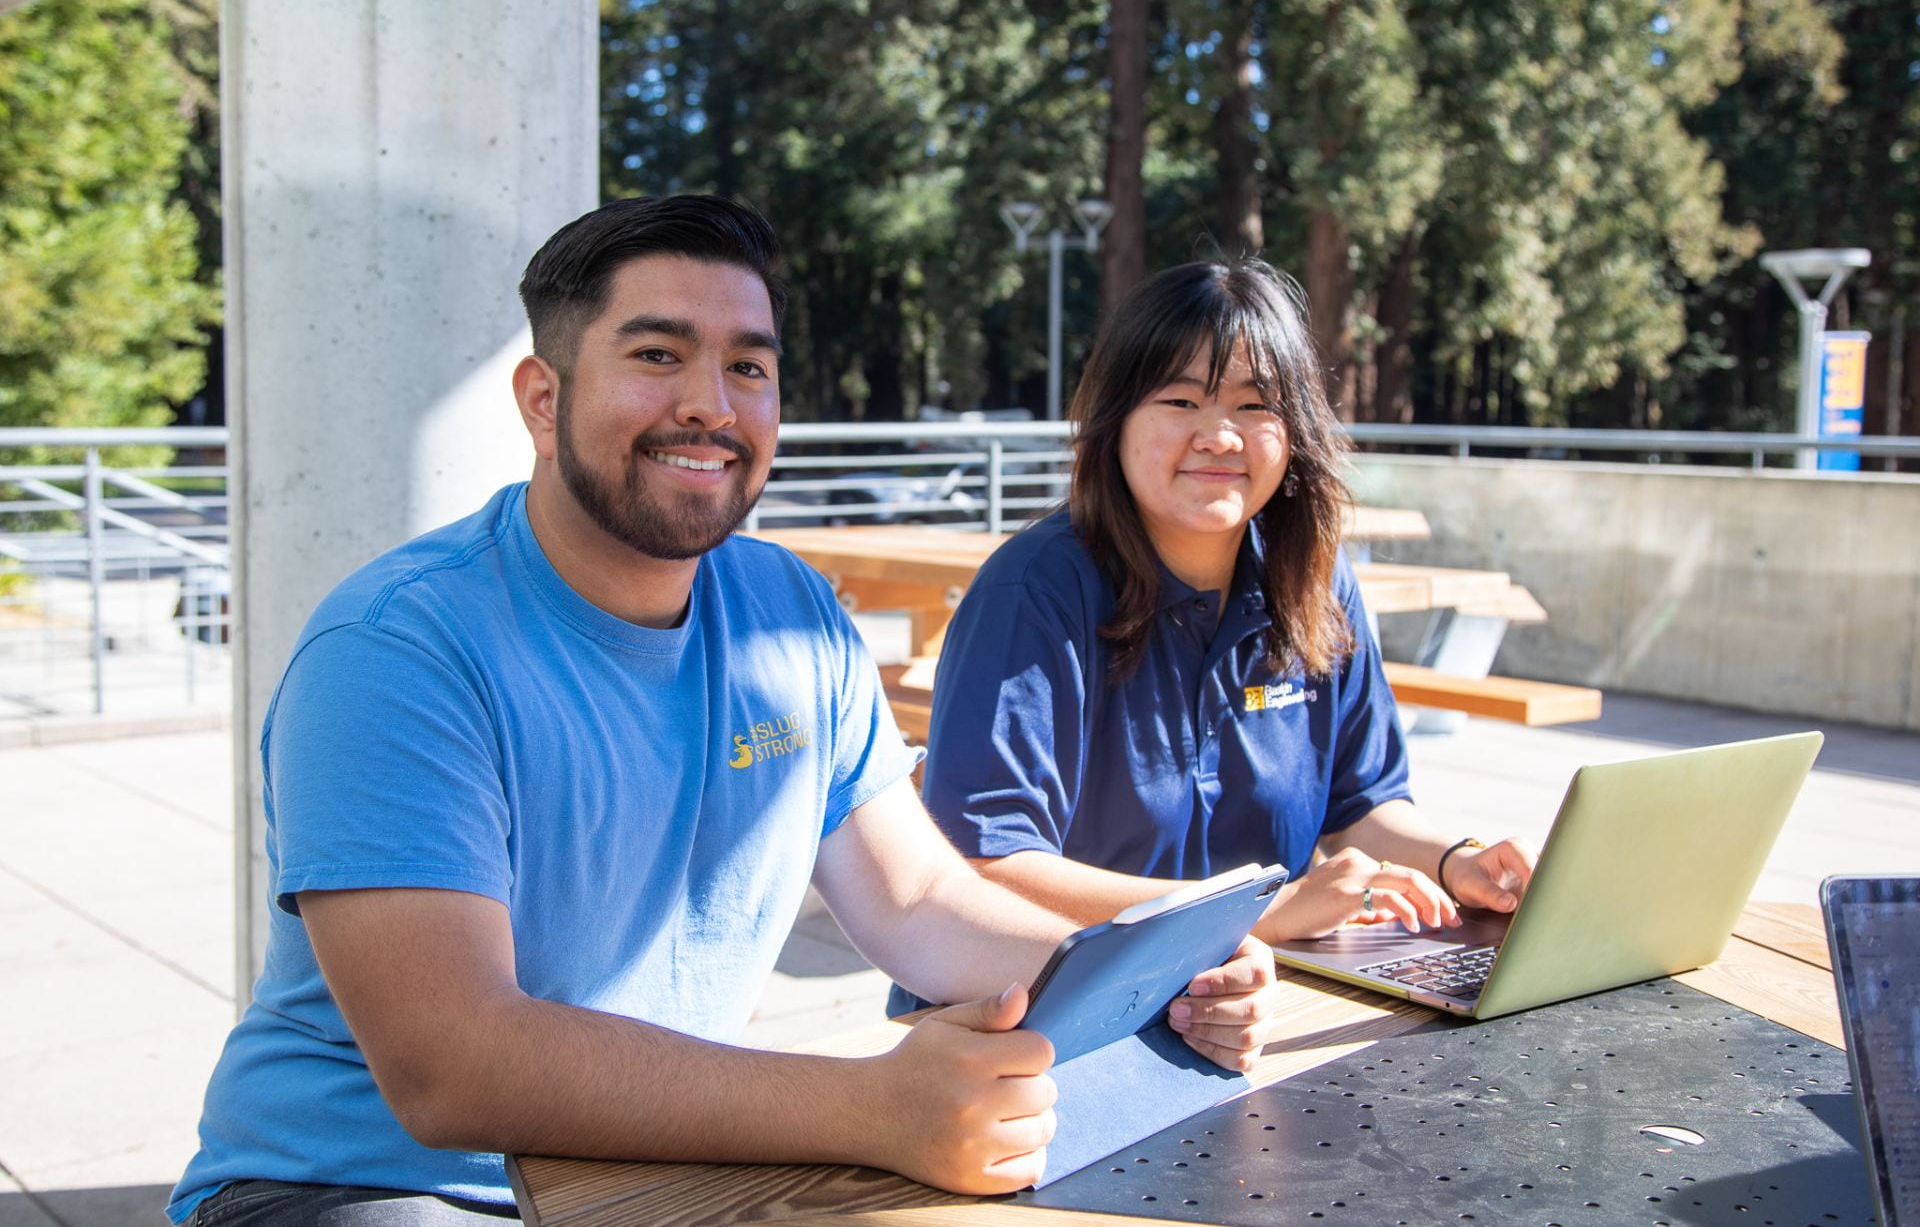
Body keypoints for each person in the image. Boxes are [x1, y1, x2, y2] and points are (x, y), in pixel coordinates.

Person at [168, 198, 1289, 1227]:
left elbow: (919, 897)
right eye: (657, 354)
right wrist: (873, 1105)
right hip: (360, 1184)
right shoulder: (397, 649)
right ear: (542, 397)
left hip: (649, 1162)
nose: (710, 402)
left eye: (748, 365)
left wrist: (1157, 971)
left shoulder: (789, 611)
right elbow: (455, 1064)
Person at [912, 257, 1537, 966]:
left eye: (1254, 404)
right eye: (1180, 402)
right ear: (1113, 421)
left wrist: (1457, 862)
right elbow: (985, 865)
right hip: (1044, 1009)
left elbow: (1361, 804)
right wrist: (1252, 917)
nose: (1220, 436)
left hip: (1249, 992)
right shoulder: (1031, 595)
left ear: (1295, 427)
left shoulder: (1317, 578)